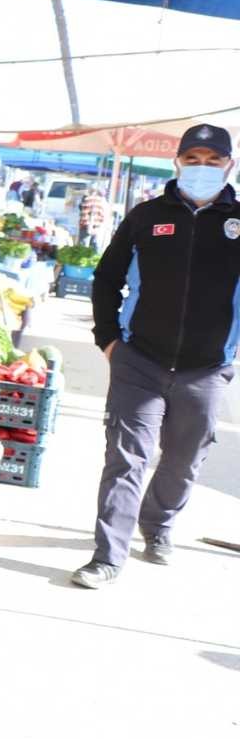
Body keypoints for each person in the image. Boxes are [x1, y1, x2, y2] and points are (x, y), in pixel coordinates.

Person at [74, 123, 240, 588]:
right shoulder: (146, 216)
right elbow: (107, 278)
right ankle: (108, 556)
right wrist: (109, 339)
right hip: (139, 361)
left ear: (229, 164)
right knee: (127, 458)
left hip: (206, 369)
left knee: (184, 459)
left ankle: (159, 524)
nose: (202, 168)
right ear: (177, 163)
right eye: (193, 159)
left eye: (212, 160)